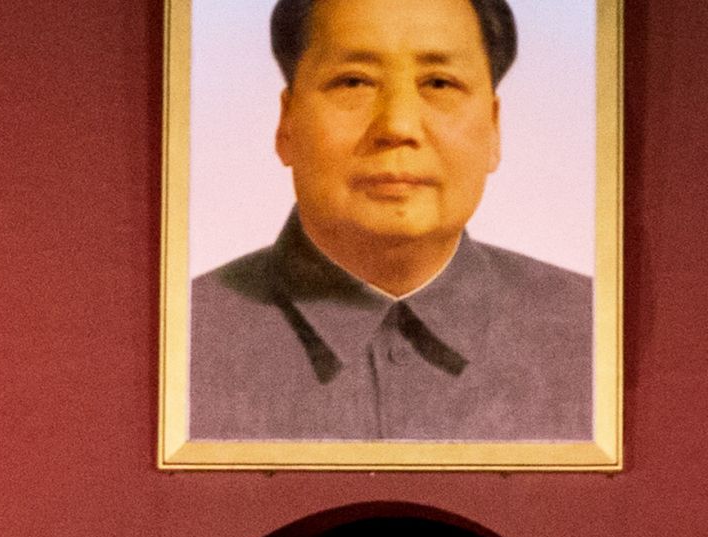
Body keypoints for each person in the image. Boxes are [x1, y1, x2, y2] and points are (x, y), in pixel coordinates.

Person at [189, 0, 593, 441]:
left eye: (439, 83)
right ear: (286, 123)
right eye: (354, 81)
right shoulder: (184, 336)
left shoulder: (593, 335)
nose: (397, 126)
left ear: (494, 128)